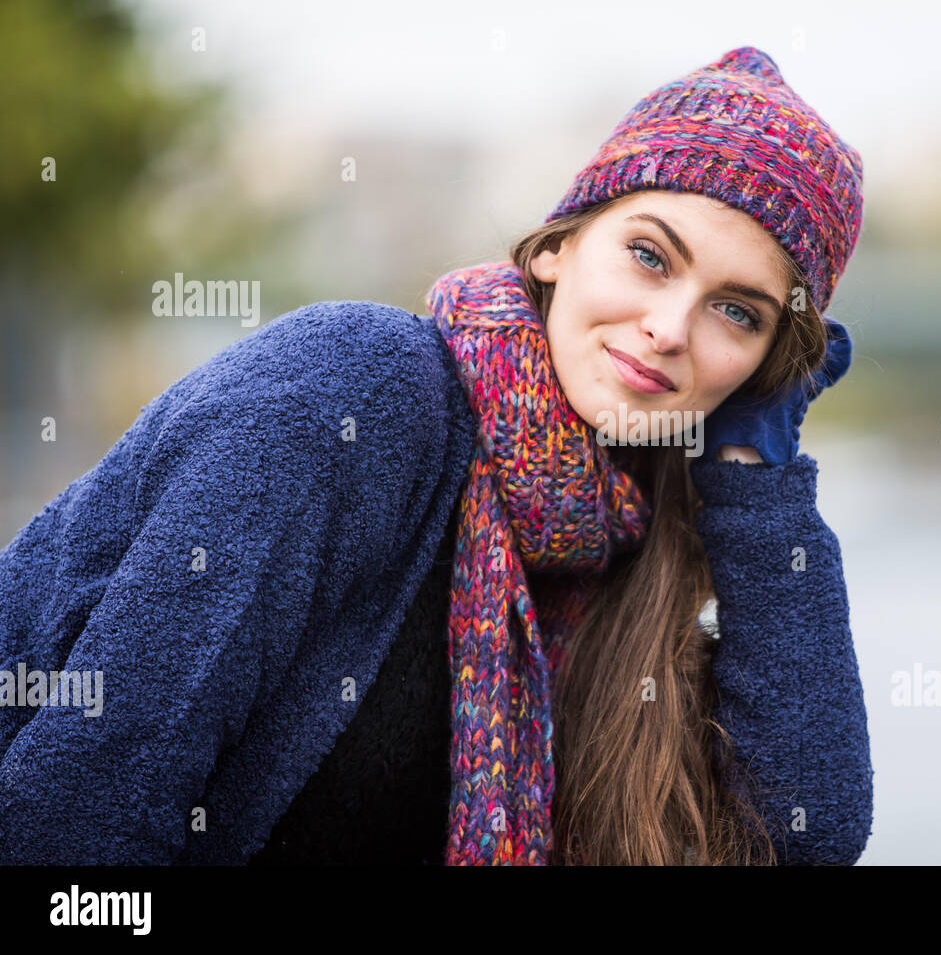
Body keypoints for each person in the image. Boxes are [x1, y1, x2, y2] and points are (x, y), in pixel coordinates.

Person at [0, 46, 872, 865]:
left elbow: (805, 835)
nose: (671, 328)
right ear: (561, 245)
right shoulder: (356, 394)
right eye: (649, 255)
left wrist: (755, 479)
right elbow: (82, 809)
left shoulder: (631, 527)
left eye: (739, 313)